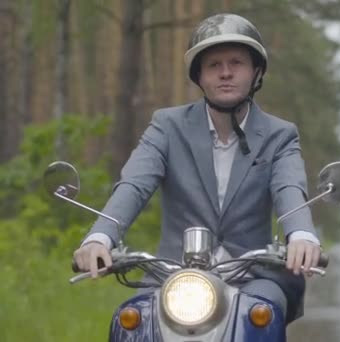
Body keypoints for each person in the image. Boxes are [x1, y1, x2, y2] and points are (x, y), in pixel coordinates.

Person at [71, 13, 322, 324]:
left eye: (236, 63)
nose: (225, 73)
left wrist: (301, 235)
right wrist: (100, 237)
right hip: (174, 276)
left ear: (256, 71)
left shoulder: (279, 135)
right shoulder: (167, 126)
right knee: (131, 320)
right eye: (214, 65)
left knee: (263, 315)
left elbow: (289, 189)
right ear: (199, 76)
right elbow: (134, 184)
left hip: (251, 276)